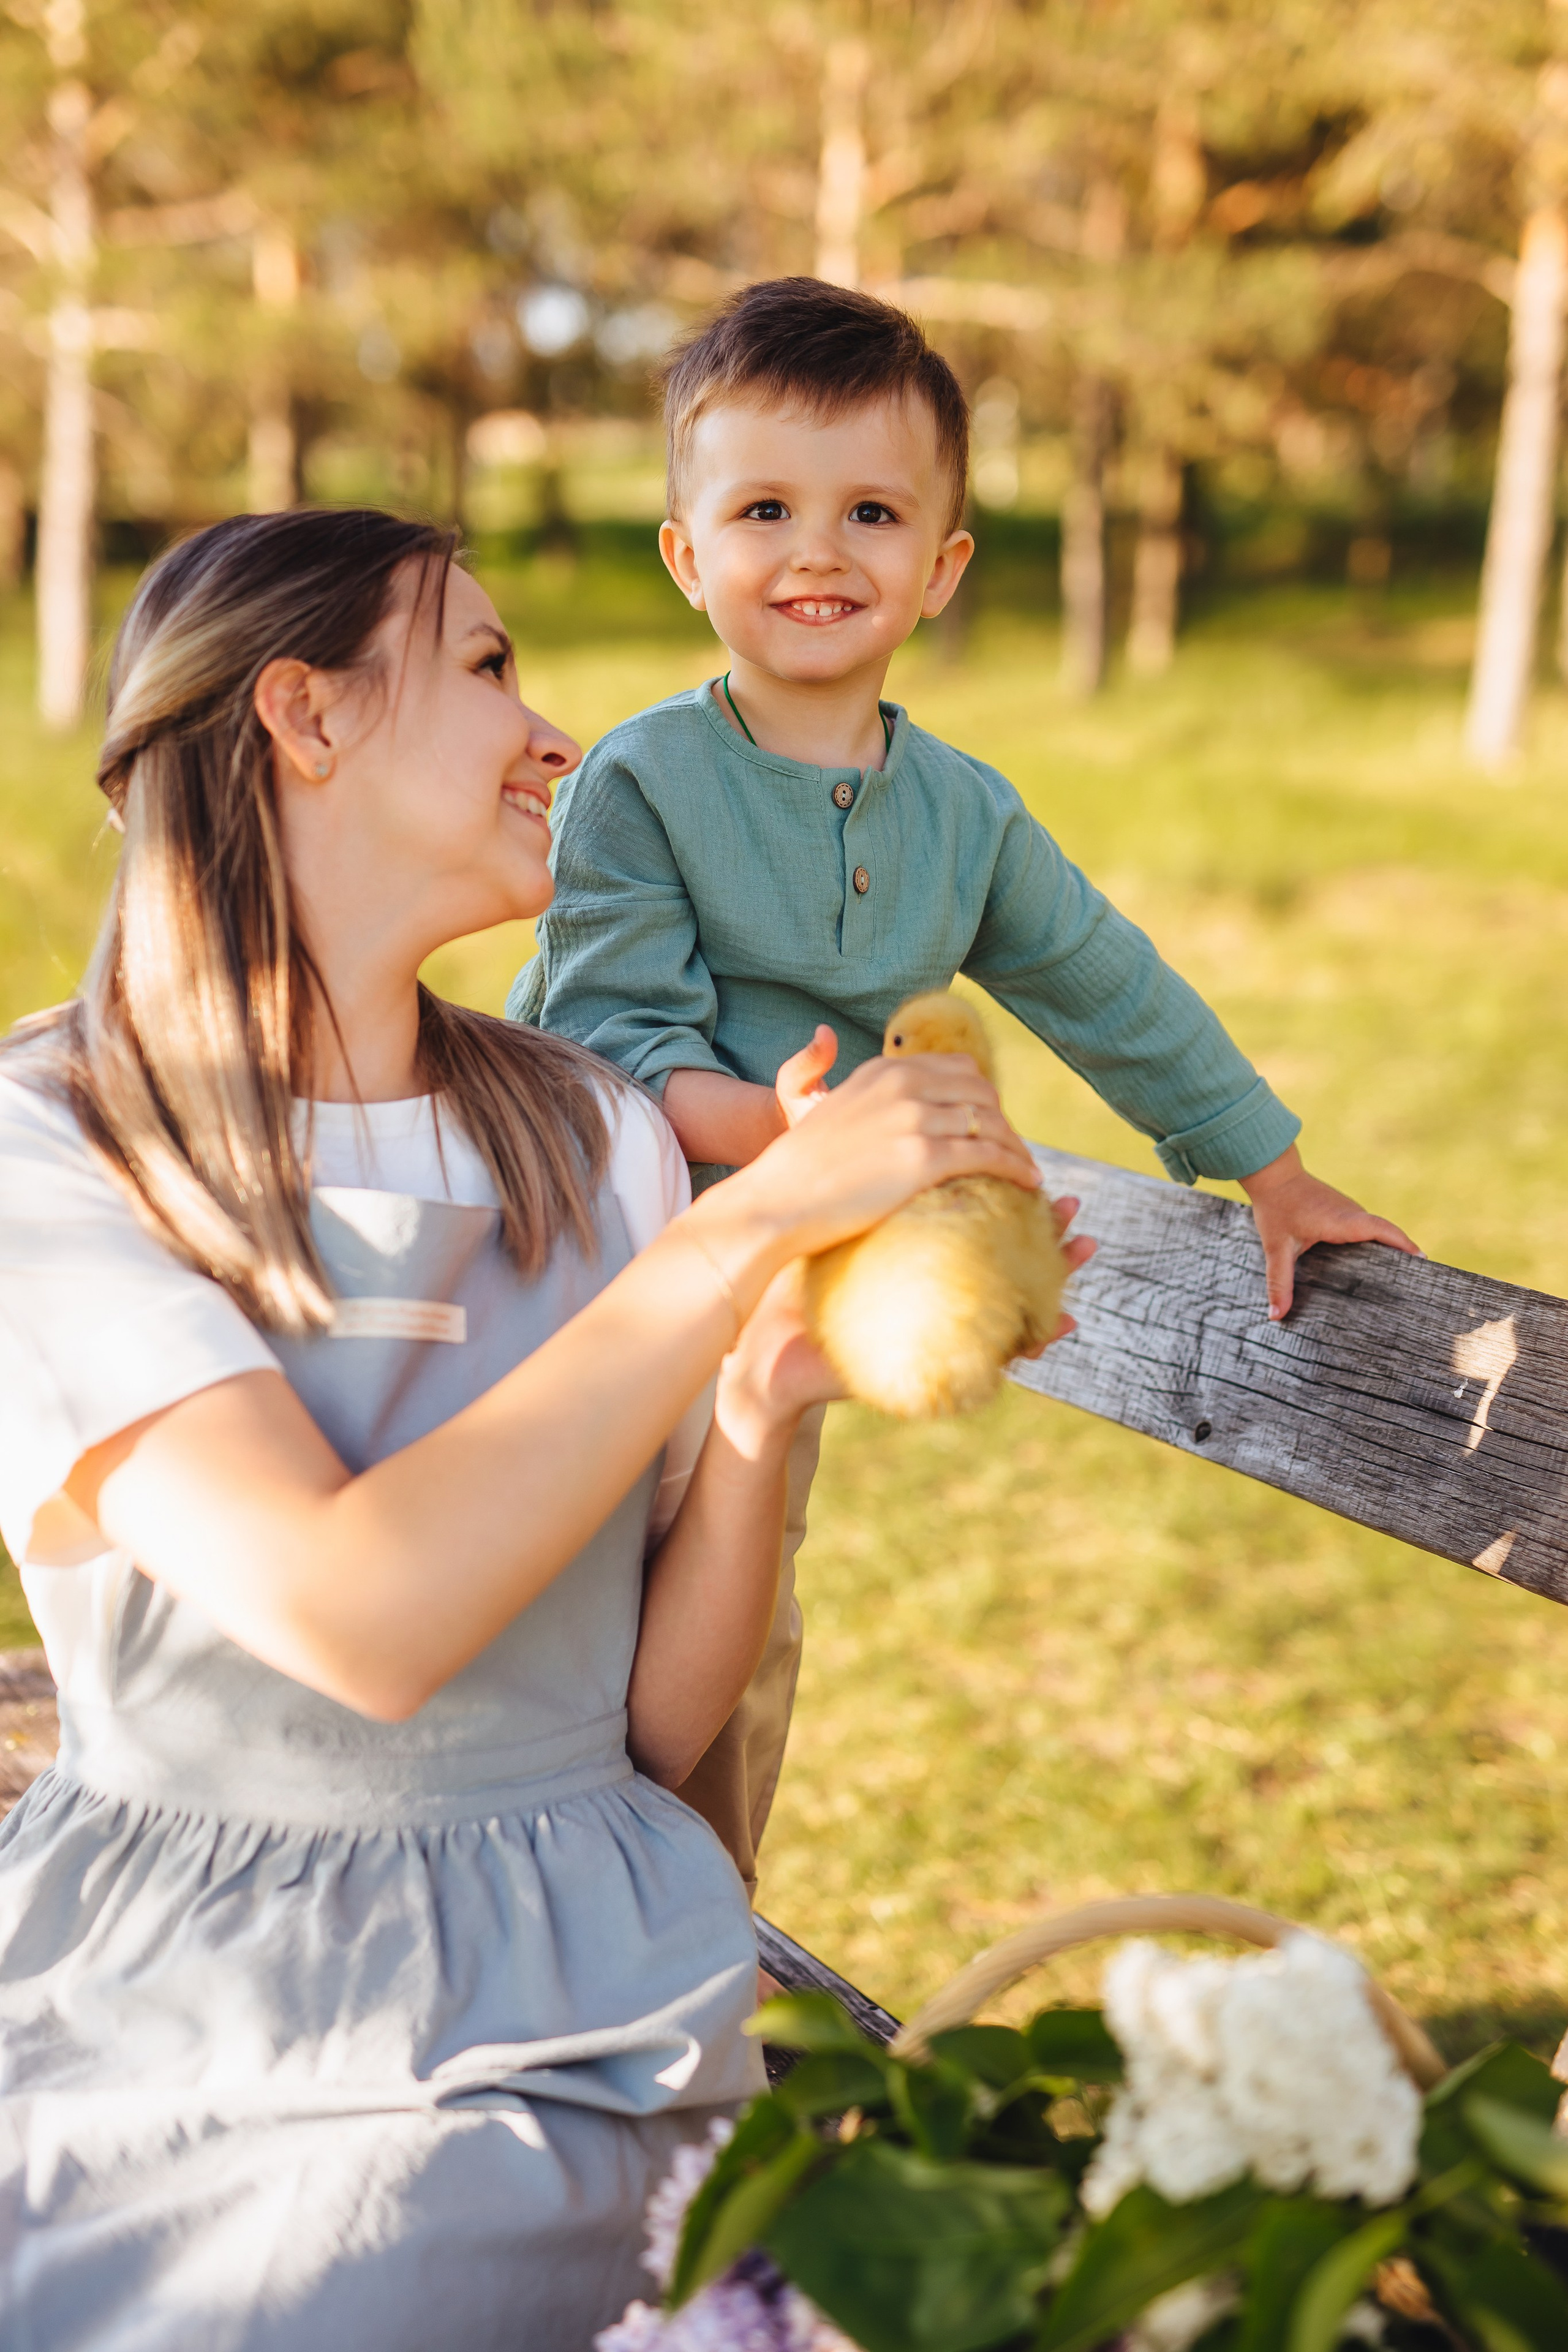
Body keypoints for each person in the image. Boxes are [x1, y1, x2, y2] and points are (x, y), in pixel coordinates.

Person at [0, 508, 1080, 2350]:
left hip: (605, 1984)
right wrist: (746, 1228)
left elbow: (645, 1724)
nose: (557, 734)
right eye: (489, 666)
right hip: (216, 2004)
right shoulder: (58, 1148)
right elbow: (364, 1617)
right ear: (305, 717)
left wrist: (755, 1396)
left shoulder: (589, 1135)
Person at [510, 274, 1421, 1893]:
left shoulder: (965, 815)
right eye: (764, 509)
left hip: (789, 1309)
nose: (816, 553)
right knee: (565, 1621)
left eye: (871, 513)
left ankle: (691, 1950)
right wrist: (794, 1142)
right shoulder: (641, 784)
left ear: (938, 571)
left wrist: (1269, 1165)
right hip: (593, 1281)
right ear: (685, 553)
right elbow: (607, 1056)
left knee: (733, 1638)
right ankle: (541, 1922)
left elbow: (1107, 983)